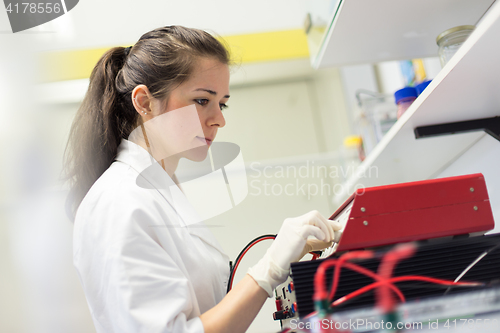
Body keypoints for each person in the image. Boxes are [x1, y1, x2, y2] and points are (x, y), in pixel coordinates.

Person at [64, 25, 341, 333]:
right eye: (201, 100)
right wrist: (268, 269)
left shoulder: (160, 191)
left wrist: (287, 253)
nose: (219, 119)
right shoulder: (118, 203)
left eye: (221, 103)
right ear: (144, 103)